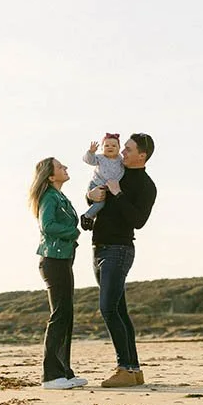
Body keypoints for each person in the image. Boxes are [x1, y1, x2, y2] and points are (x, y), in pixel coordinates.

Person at [86, 133, 157, 388]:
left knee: (108, 308)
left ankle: (123, 367)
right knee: (120, 311)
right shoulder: (117, 173)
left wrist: (118, 193)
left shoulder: (146, 185)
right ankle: (134, 370)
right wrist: (92, 196)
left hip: (119, 249)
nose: (122, 153)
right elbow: (100, 199)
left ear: (142, 155)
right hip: (99, 247)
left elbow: (138, 220)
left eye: (128, 149)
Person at [29, 157, 87, 390]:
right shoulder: (49, 197)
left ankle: (64, 372)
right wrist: (73, 232)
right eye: (61, 167)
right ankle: (51, 376)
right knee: (59, 315)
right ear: (51, 176)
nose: (66, 168)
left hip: (63, 260)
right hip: (53, 260)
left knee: (67, 315)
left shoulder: (59, 196)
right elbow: (48, 226)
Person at [80, 133, 125, 231]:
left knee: (104, 205)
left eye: (114, 145)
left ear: (119, 148)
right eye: (106, 145)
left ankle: (91, 217)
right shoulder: (100, 158)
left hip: (109, 188)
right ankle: (87, 216)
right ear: (102, 148)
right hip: (96, 185)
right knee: (100, 203)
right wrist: (91, 152)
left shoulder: (120, 159)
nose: (110, 147)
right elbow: (89, 160)